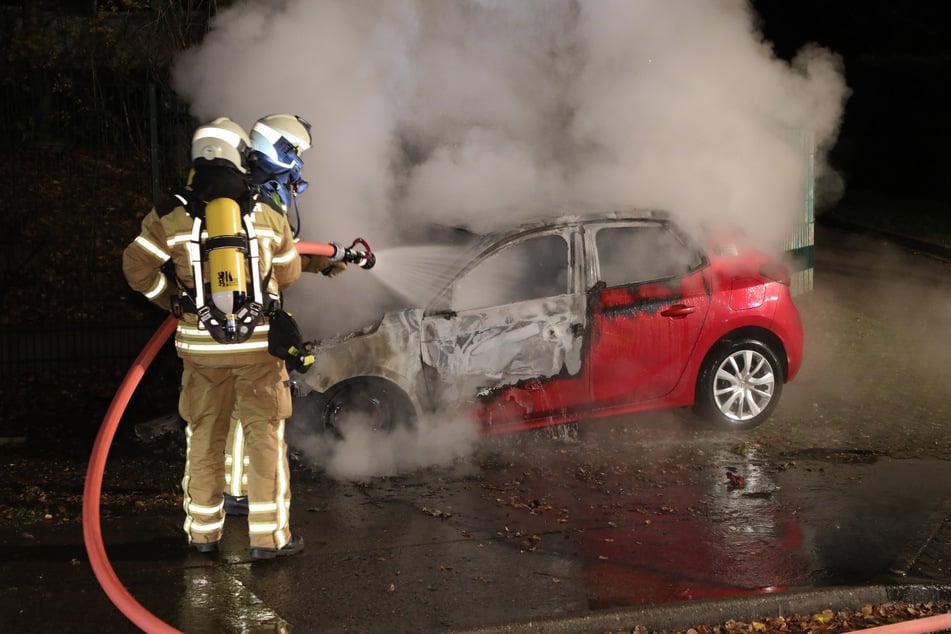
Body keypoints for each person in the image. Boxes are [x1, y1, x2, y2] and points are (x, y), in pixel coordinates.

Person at [122, 116, 305, 560]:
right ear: (240, 156)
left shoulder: (171, 215)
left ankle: (203, 535)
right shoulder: (266, 211)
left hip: (201, 352)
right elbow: (290, 272)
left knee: (204, 439)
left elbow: (136, 269)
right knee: (264, 439)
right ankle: (269, 540)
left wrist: (172, 301)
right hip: (259, 349)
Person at [221, 113, 347, 516]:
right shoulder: (259, 196)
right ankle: (244, 495)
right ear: (272, 146)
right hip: (251, 316)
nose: (298, 162)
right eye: (293, 151)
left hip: (232, 314)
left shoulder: (245, 193)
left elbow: (277, 254)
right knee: (260, 408)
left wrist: (325, 261)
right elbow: (280, 260)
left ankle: (230, 490)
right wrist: (316, 261)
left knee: (239, 408)